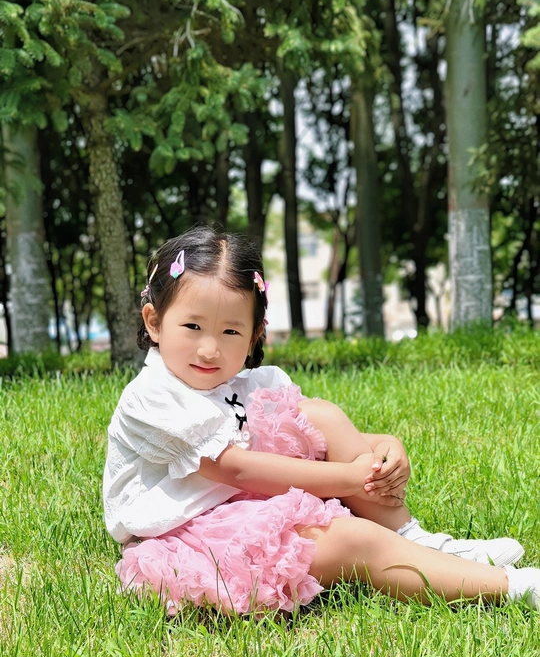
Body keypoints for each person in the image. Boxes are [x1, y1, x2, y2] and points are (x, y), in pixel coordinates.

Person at [103, 227, 540, 616]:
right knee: (354, 541)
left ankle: (413, 539)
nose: (209, 349)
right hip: (194, 534)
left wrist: (382, 445)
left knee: (319, 415)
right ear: (154, 322)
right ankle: (514, 588)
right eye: (192, 326)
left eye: (230, 331)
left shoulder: (248, 385)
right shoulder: (152, 396)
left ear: (254, 336)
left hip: (242, 502)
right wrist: (352, 478)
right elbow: (235, 468)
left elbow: (301, 439)